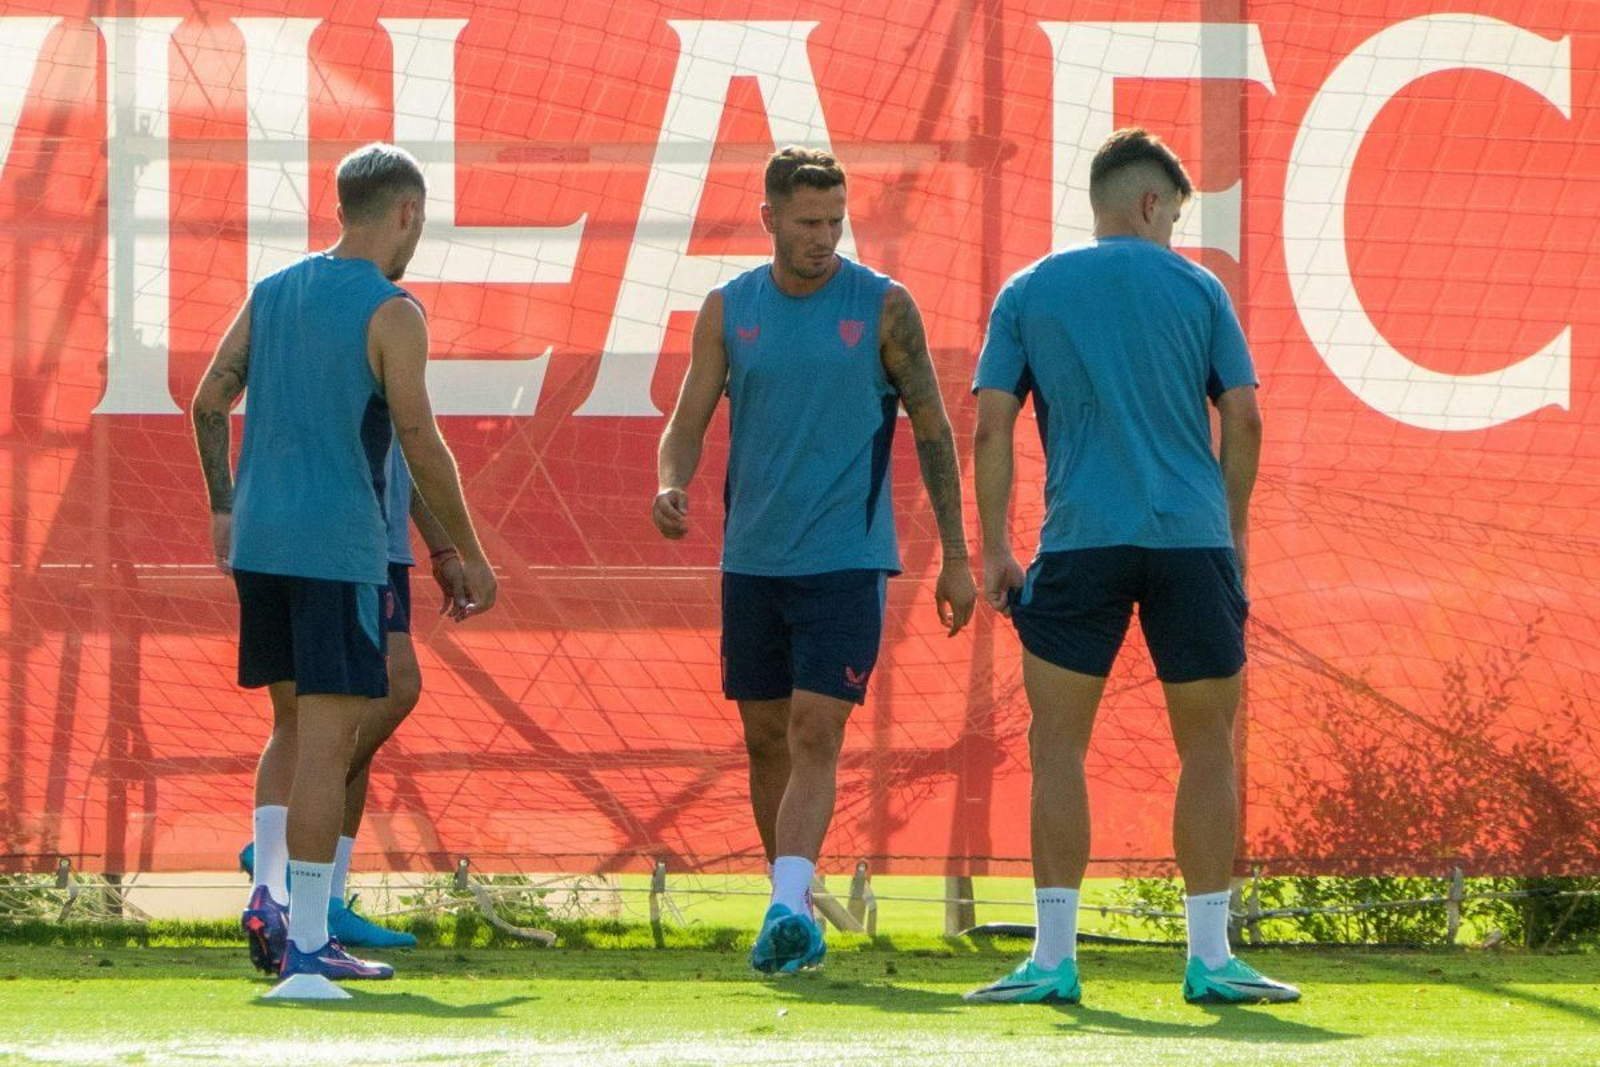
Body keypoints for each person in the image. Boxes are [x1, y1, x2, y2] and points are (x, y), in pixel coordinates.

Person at [966, 128, 1296, 1005]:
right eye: (1176, 215)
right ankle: (1211, 960)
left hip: (1080, 542)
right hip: (1191, 544)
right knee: (1208, 749)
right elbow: (1247, 420)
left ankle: (1053, 960)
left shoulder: (1030, 289)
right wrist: (1226, 537)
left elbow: (990, 426)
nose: (1175, 231)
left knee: (1058, 747)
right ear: (1153, 205)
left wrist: (994, 547)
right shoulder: (1199, 287)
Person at [653, 145, 976, 975]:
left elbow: (935, 432)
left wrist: (957, 556)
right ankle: (788, 905)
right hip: (752, 562)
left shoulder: (884, 307)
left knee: (812, 730)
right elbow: (688, 417)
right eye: (807, 222)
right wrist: (670, 482)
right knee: (765, 739)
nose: (824, 236)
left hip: (846, 559)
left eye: (835, 220)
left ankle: (787, 904)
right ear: (767, 218)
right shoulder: (728, 309)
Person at [191, 142, 496, 983]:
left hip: (263, 545)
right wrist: (467, 547)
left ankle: (268, 892)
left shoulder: (274, 291)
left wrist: (224, 504)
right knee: (329, 743)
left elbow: (209, 398)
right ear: (406, 212)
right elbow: (421, 442)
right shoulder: (393, 310)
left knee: (291, 728)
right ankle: (309, 944)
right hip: (338, 549)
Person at [236, 442, 468, 951]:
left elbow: (405, 449)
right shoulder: (333, 363)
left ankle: (324, 896)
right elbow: (413, 432)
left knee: (356, 714)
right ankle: (284, 847)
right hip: (346, 538)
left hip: (381, 542)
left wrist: (442, 547)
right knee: (362, 700)